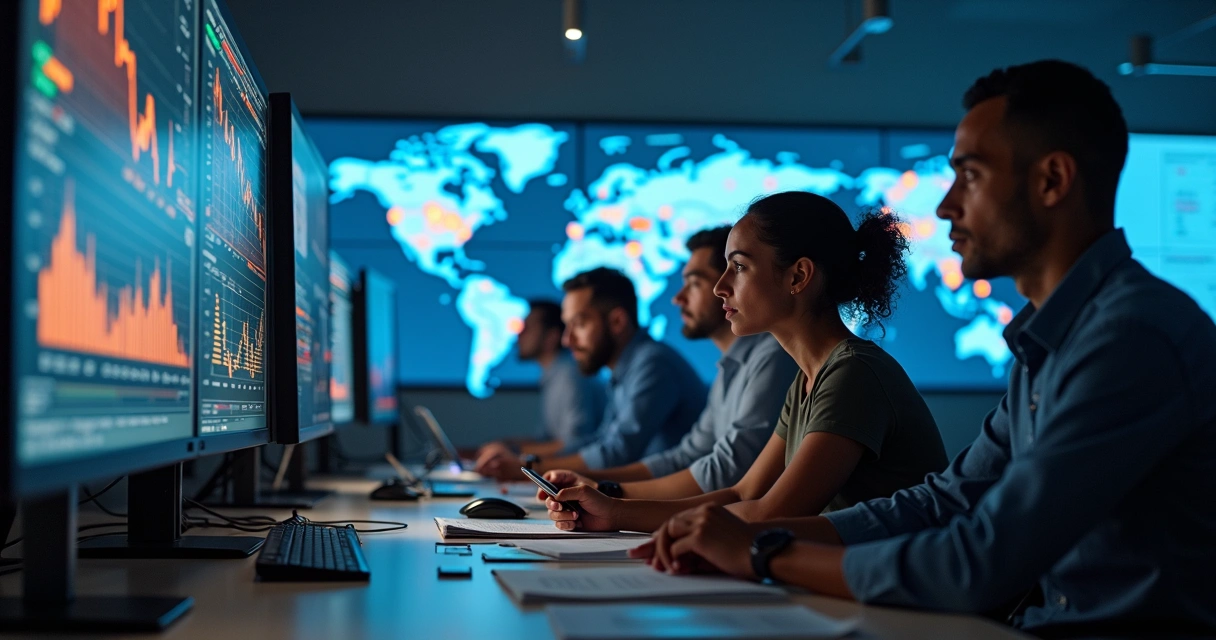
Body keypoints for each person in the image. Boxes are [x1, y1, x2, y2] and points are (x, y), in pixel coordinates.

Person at [635, 60, 1216, 637]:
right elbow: (945, 502)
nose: (945, 207)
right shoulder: (1049, 341)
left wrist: (766, 555)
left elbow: (981, 559)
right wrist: (755, 539)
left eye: (971, 176)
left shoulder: (1129, 336)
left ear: (1052, 181)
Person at [542, 192, 948, 534]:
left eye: (738, 267)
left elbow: (773, 514)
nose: (721, 287)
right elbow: (744, 493)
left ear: (798, 276)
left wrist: (618, 510)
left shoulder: (852, 374)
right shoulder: (809, 379)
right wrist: (611, 512)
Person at [541, 226, 799, 500]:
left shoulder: (773, 356)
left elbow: (728, 470)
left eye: (695, 283)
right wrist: (596, 485)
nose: (678, 298)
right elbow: (687, 457)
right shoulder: (729, 367)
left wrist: (608, 492)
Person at [476, 267, 707, 480]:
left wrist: (528, 469)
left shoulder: (653, 364)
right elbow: (600, 441)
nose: (567, 340)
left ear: (617, 321)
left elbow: (617, 452)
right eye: (567, 326)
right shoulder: (625, 370)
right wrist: (527, 462)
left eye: (580, 324)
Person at [473, 300, 605, 463]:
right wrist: (506, 446)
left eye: (526, 329)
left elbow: (574, 443)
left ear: (552, 336)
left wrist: (514, 453)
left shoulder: (569, 377)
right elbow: (547, 439)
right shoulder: (553, 376)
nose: (518, 335)